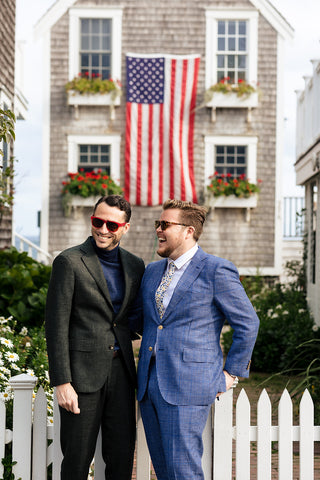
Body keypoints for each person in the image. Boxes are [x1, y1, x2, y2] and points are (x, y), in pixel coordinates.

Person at [137, 199, 260, 480]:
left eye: (165, 224)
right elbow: (148, 322)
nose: (158, 229)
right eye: (158, 223)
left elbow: (248, 322)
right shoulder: (153, 271)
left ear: (188, 231)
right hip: (148, 381)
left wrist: (231, 373)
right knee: (165, 469)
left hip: (188, 382)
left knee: (184, 469)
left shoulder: (216, 269)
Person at [45, 194, 144, 480]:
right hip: (81, 378)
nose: (102, 229)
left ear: (125, 227)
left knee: (121, 458)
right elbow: (56, 325)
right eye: (97, 221)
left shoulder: (135, 265)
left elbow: (131, 318)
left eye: (111, 225)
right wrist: (62, 382)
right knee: (76, 462)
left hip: (122, 374)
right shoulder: (69, 261)